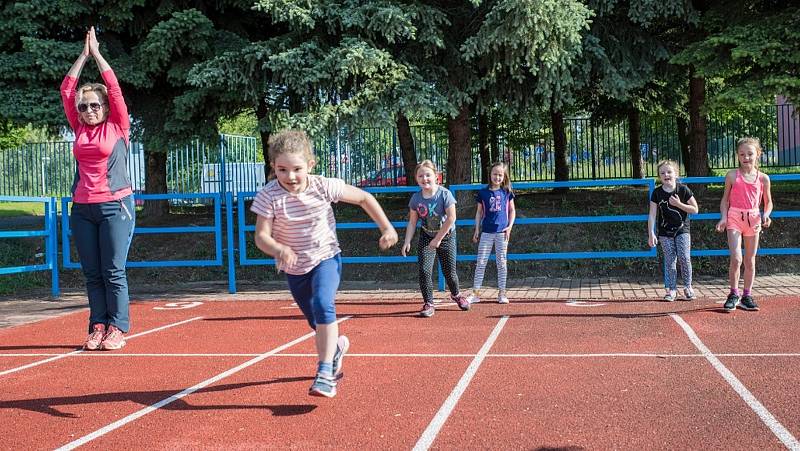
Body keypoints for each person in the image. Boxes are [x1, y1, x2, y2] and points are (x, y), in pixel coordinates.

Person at [251, 130, 398, 398]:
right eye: (282, 170)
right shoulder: (268, 195)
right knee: (316, 321)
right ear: (273, 167)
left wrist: (387, 228)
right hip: (295, 269)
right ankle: (337, 349)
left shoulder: (323, 186)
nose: (290, 176)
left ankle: (325, 372)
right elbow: (261, 236)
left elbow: (365, 198)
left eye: (297, 169)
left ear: (310, 165)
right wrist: (278, 248)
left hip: (326, 258)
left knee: (323, 305)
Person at [61, 27, 135, 351]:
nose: (88, 111)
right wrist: (83, 55)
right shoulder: (78, 126)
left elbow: (115, 88)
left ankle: (118, 327)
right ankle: (98, 325)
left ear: (105, 107)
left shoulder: (118, 125)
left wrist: (99, 54)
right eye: (83, 107)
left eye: (94, 106)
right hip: (82, 208)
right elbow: (67, 89)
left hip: (115, 207)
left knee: (113, 270)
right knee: (92, 273)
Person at [401, 160, 470, 317]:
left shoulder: (445, 194)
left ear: (436, 176)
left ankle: (457, 295)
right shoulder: (416, 199)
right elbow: (412, 222)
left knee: (449, 272)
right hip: (426, 235)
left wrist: (438, 239)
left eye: (428, 175)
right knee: (424, 270)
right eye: (421, 176)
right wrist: (407, 241)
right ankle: (428, 303)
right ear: (416, 179)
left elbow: (451, 218)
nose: (425, 179)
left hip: (446, 236)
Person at [715, 137, 773, 312]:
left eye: (750, 153)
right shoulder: (732, 175)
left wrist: (766, 215)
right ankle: (733, 293)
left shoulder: (763, 178)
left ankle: (746, 295)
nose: (746, 157)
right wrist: (723, 218)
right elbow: (725, 200)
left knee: (750, 260)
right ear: (737, 156)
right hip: (734, 218)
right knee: (736, 258)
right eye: (742, 154)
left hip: (754, 219)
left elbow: (768, 202)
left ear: (758, 154)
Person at [647, 160, 698, 301]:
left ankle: (688, 287)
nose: (666, 175)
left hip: (682, 230)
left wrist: (679, 204)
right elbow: (652, 215)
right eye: (662, 173)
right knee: (670, 260)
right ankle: (671, 290)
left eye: (669, 172)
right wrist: (651, 233)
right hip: (665, 232)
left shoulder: (683, 190)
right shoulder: (657, 193)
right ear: (659, 176)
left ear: (676, 174)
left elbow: (695, 209)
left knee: (684, 257)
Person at [466, 162, 516, 304]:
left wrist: (510, 226)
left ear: (504, 176)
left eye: (500, 175)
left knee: (501, 262)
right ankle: (476, 293)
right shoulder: (483, 192)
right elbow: (479, 212)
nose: (497, 177)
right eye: (495, 174)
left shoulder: (507, 193)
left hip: (502, 233)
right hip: (487, 232)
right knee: (481, 262)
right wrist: (477, 229)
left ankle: (502, 293)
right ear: (490, 174)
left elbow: (512, 211)